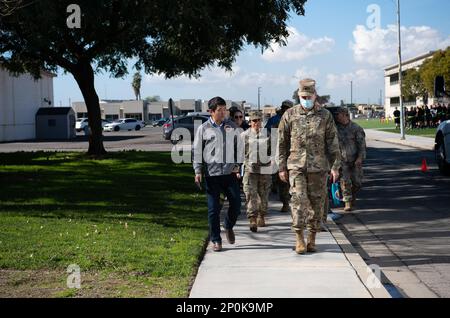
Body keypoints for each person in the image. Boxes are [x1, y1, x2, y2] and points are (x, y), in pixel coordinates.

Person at [278, 79, 341, 255]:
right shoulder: (289, 115)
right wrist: (281, 167)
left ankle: (312, 238)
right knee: (298, 201)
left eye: (309, 96)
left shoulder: (325, 115)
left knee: (317, 204)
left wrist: (335, 167)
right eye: (303, 96)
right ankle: (299, 238)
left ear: (315, 96)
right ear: (299, 95)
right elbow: (281, 143)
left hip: (318, 168)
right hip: (296, 166)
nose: (306, 99)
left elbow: (333, 143)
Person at [193, 97, 242, 252]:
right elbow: (197, 151)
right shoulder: (203, 129)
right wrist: (198, 171)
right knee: (213, 209)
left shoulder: (231, 126)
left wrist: (237, 165)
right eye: (220, 110)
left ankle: (228, 225)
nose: (223, 113)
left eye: (224, 109)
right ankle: (216, 239)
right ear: (211, 111)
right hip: (211, 175)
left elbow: (239, 148)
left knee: (236, 204)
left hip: (229, 174)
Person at [241, 111, 272, 232]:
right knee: (250, 194)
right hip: (250, 170)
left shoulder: (267, 135)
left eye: (259, 120)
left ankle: (261, 215)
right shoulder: (244, 135)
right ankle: (252, 218)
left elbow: (272, 151)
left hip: (264, 170)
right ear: (250, 122)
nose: (257, 123)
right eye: (254, 121)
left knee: (263, 195)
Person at [334, 107, 367, 212]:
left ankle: (351, 196)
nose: (336, 116)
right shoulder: (335, 129)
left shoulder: (356, 128)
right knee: (345, 181)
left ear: (345, 115)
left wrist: (360, 158)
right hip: (341, 160)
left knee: (357, 183)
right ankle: (347, 202)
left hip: (355, 159)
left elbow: (362, 146)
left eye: (338, 114)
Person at [265, 100, 294, 212]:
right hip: (275, 152)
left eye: (287, 108)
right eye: (284, 107)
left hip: (290, 153)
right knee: (277, 180)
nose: (285, 109)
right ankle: (282, 202)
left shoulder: (293, 119)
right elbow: (266, 135)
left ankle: (287, 201)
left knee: (286, 180)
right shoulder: (274, 120)